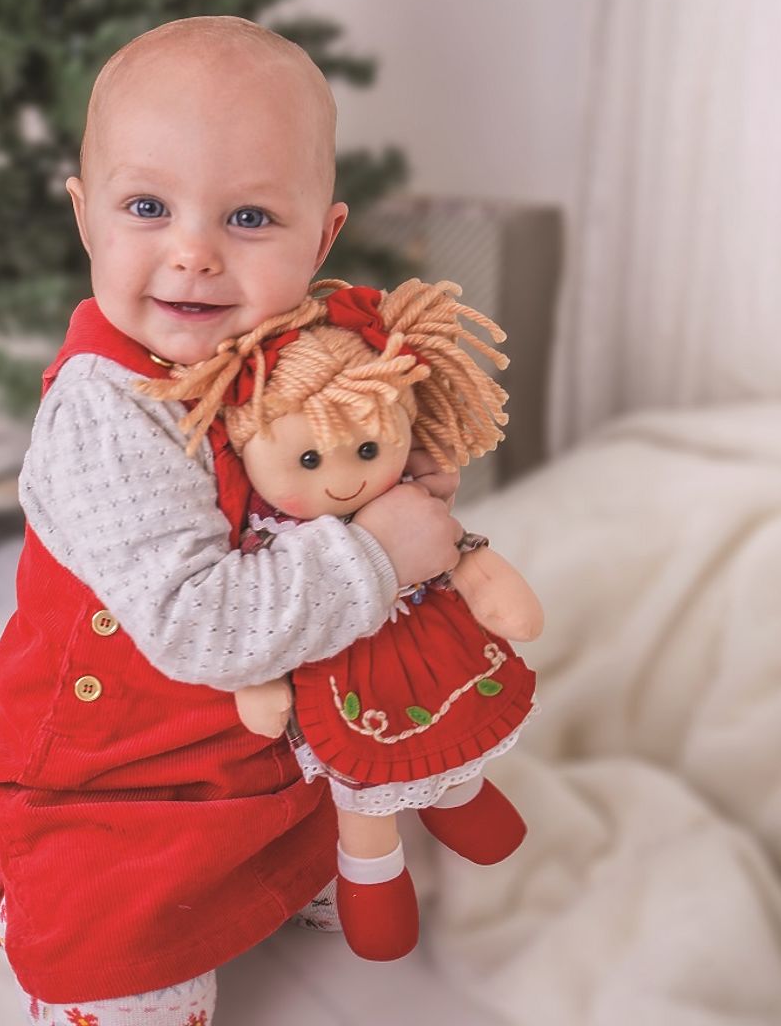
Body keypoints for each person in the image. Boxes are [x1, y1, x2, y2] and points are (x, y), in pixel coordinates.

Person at [0, 16, 464, 1025]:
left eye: (250, 218)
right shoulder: (106, 414)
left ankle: (259, 870)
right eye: (147, 207)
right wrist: (375, 554)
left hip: (263, 762)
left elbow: (328, 487)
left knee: (321, 853)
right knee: (132, 983)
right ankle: (10, 899)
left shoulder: (299, 358)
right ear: (86, 217)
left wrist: (399, 488)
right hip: (119, 792)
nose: (192, 255)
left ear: (322, 240)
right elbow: (199, 626)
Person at [142, 277, 542, 963]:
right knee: (366, 800)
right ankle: (376, 881)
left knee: (454, 736)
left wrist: (485, 581)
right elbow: (256, 614)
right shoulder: (271, 547)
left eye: (366, 448)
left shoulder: (408, 499)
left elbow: (459, 548)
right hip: (349, 682)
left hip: (434, 655)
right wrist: (258, 680)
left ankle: (459, 797)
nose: (343, 478)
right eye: (307, 459)